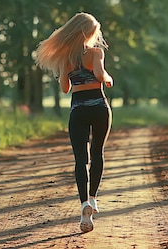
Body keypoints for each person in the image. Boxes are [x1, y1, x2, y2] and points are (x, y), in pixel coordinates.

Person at [34, 12, 114, 233]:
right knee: (97, 153)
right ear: (88, 33)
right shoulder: (96, 53)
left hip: (78, 110)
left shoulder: (66, 58)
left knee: (81, 159)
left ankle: (83, 205)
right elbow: (99, 75)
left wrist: (69, 72)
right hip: (99, 106)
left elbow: (65, 88)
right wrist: (108, 78)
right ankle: (93, 198)